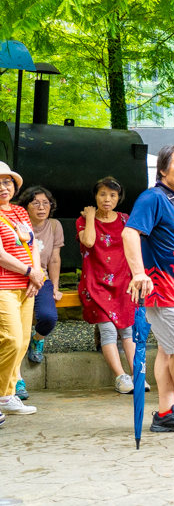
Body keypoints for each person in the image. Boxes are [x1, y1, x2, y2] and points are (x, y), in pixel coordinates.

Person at [124, 145, 174, 434]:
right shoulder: (153, 197)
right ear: (162, 169)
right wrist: (138, 273)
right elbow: (130, 232)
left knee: (169, 352)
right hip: (162, 290)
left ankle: (165, 412)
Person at [77, 177, 137, 393]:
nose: (107, 199)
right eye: (102, 194)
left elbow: (134, 248)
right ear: (95, 197)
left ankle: (137, 375)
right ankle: (121, 377)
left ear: (119, 198)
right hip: (96, 283)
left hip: (122, 282)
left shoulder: (125, 220)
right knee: (109, 331)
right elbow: (90, 242)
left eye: (112, 195)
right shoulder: (83, 221)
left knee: (128, 330)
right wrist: (91, 217)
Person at [0, 161, 42, 420]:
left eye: (7, 182)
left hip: (27, 287)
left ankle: (7, 394)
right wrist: (30, 273)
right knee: (12, 340)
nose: (3, 187)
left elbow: (33, 245)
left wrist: (36, 276)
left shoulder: (19, 212)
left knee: (23, 341)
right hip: (4, 285)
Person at [12, 186, 63, 399]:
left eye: (46, 202)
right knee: (13, 335)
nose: (42, 207)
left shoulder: (54, 225)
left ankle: (37, 339)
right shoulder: (16, 224)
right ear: (25, 207)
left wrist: (56, 286)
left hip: (41, 279)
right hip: (16, 279)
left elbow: (54, 258)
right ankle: (17, 380)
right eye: (35, 203)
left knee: (48, 318)